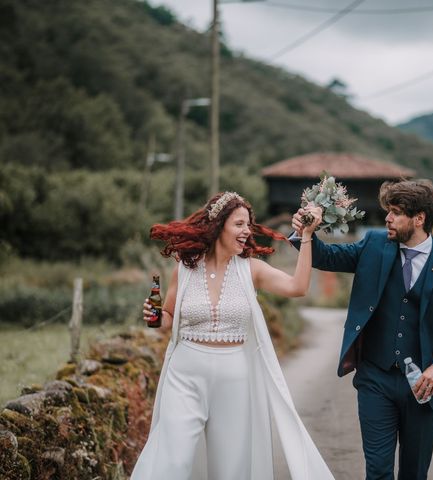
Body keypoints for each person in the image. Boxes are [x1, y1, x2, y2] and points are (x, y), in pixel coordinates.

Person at [131, 191, 334, 480]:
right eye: (239, 224)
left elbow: (298, 287)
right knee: (171, 462)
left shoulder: (251, 270)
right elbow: (168, 318)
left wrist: (308, 238)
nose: (247, 231)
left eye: (248, 225)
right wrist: (154, 318)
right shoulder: (185, 269)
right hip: (185, 375)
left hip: (234, 378)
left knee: (230, 469)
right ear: (219, 226)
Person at [291, 179, 433, 479]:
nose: (388, 218)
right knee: (377, 471)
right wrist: (304, 233)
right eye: (388, 211)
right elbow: (328, 257)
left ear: (419, 219)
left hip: (422, 387)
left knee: (414, 473)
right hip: (375, 379)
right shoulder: (374, 245)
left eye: (396, 212)